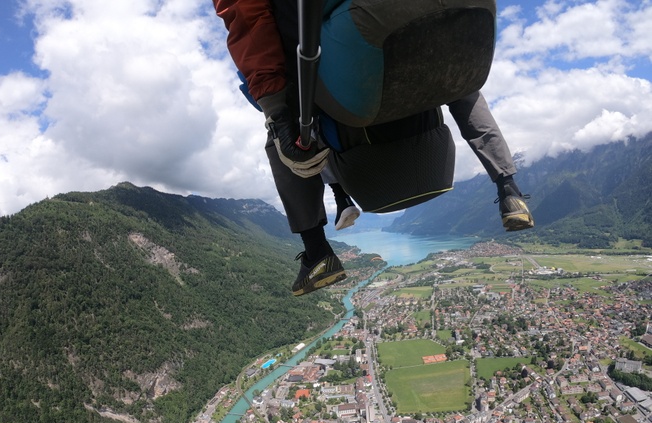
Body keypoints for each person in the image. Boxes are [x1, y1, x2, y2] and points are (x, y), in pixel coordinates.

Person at [214, 0, 533, 296]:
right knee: (459, 80)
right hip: (464, 18)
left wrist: (275, 112)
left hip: (363, 46)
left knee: (287, 119)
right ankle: (509, 189)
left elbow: (245, 14)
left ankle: (317, 251)